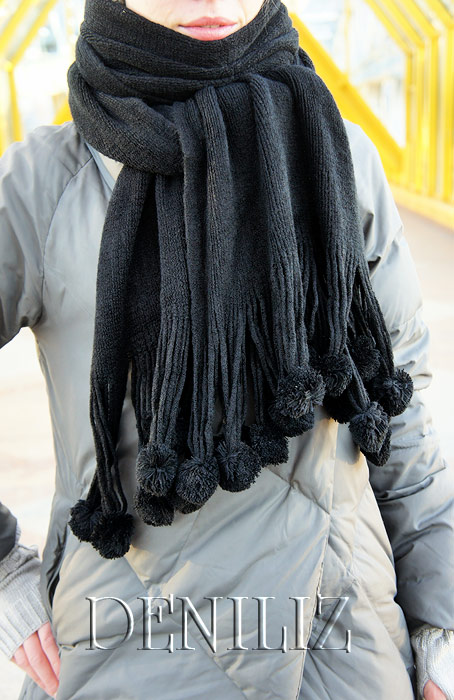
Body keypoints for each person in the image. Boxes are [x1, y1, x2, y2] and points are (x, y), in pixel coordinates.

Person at [0, 0, 453, 698]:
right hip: (122, 650)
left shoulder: (338, 152)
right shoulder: (44, 183)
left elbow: (401, 405)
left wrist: (440, 618)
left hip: (346, 647)